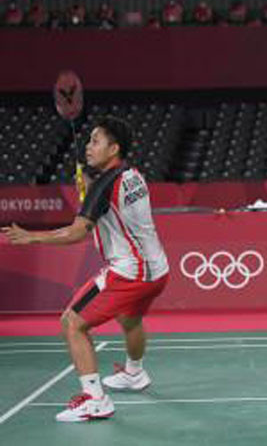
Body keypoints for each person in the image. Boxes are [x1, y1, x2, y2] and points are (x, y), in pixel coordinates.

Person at [2, 117, 169, 423]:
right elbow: (113, 205)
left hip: (128, 272)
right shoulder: (133, 174)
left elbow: (77, 232)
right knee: (129, 318)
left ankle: (95, 400)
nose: (89, 147)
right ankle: (135, 373)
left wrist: (32, 236)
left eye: (96, 141)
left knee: (72, 323)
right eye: (89, 140)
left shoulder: (104, 185)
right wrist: (90, 191)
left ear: (114, 148)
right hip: (157, 270)